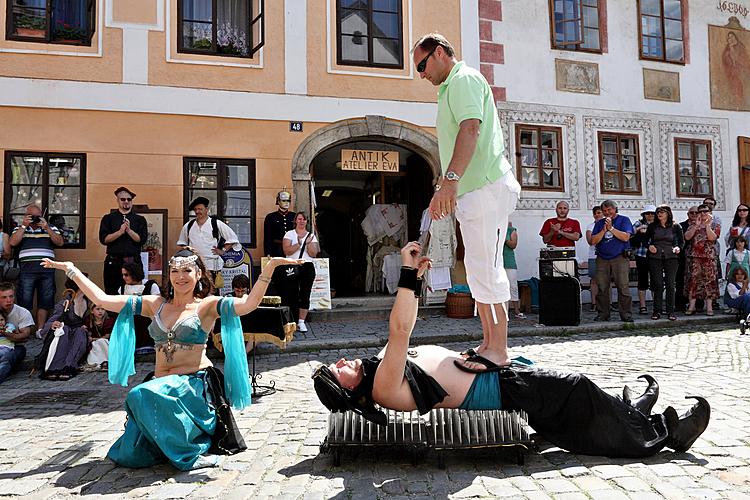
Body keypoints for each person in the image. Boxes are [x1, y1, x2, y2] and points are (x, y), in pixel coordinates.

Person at [313, 242, 711, 458]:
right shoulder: (382, 385)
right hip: (502, 389)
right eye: (337, 371)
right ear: (347, 392)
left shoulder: (379, 368)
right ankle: (667, 435)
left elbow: (405, 321)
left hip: (500, 376)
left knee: (577, 396)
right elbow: (400, 329)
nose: (341, 361)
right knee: (575, 385)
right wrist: (403, 272)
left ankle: (630, 413)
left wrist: (415, 280)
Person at [41, 247, 302, 470]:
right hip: (161, 383)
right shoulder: (156, 304)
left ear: (199, 274)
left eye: (187, 270)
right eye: (175, 271)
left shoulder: (208, 305)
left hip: (192, 385)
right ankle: (173, 441)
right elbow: (104, 300)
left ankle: (190, 455)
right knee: (129, 455)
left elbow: (248, 306)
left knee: (138, 394)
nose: (180, 277)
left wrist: (271, 268)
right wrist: (71, 269)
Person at [413, 33, 521, 369]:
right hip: (475, 190)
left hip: (484, 187)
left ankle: (498, 350)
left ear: (440, 53)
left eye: (422, 64)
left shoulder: (463, 79)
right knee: (477, 269)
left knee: (487, 267)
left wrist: (450, 182)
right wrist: (446, 187)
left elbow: (470, 129)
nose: (420, 74)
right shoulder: (451, 87)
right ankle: (489, 343)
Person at [9, 204, 64, 333]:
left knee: (45, 300)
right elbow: (12, 242)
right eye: (32, 216)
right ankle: (25, 329)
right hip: (27, 270)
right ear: (26, 216)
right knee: (25, 300)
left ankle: (40, 329)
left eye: (38, 216)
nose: (35, 219)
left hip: (47, 269)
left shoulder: (51, 228)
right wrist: (24, 226)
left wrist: (47, 228)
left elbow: (60, 242)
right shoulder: (19, 228)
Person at [177, 197, 241, 288]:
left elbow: (232, 237)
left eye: (200, 209)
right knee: (195, 291)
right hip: (194, 265)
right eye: (196, 209)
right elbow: (182, 243)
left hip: (212, 266)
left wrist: (222, 250)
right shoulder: (189, 225)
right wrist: (188, 251)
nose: (198, 211)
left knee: (211, 291)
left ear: (207, 209)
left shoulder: (216, 223)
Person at [34, 278, 90, 380]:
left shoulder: (89, 302)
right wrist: (53, 324)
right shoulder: (65, 303)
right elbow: (52, 321)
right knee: (65, 330)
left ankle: (69, 366)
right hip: (66, 335)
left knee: (80, 332)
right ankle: (55, 367)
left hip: (80, 335)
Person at [590, 200, 634, 322]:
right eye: (604, 211)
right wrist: (604, 230)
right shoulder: (599, 223)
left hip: (620, 257)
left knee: (623, 286)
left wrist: (612, 228)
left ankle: (626, 314)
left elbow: (625, 237)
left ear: (615, 209)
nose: (607, 213)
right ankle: (603, 313)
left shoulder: (624, 220)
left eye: (609, 210)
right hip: (602, 257)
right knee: (602, 287)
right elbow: (593, 241)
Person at [99, 187, 149, 295]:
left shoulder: (139, 219)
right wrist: (120, 232)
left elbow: (141, 240)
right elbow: (104, 239)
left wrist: (129, 231)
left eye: (129, 199)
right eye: (123, 199)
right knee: (112, 293)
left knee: (135, 292)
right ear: (118, 200)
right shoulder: (108, 218)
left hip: (133, 261)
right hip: (114, 262)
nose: (126, 201)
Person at [282, 212, 320, 332]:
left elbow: (313, 254)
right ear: (295, 221)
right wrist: (299, 244)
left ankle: (301, 322)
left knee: (305, 294)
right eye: (299, 219)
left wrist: (308, 244)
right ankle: (291, 321)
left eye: (304, 219)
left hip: (307, 265)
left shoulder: (311, 236)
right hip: (293, 265)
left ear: (306, 221)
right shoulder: (289, 234)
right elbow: (286, 250)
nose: (302, 221)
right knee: (291, 294)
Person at [646, 205, 684, 321]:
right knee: (657, 284)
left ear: (668, 213)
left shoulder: (676, 226)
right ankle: (657, 311)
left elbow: (681, 242)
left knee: (670, 284)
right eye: (658, 212)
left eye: (662, 212)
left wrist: (678, 248)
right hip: (655, 257)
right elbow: (646, 240)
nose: (659, 214)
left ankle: (670, 311)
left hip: (671, 257)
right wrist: (650, 246)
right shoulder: (652, 227)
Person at [263, 190, 297, 311]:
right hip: (277, 250)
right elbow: (267, 236)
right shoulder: (271, 217)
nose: (286, 203)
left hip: (292, 251)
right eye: (283, 200)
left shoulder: (294, 216)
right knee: (279, 279)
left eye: (288, 200)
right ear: (278, 201)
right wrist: (268, 252)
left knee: (292, 279)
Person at [684, 204, 720, 316]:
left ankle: (709, 307)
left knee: (709, 281)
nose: (703, 213)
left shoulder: (715, 224)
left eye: (706, 211)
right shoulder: (692, 224)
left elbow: (712, 238)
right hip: (694, 257)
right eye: (701, 211)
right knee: (693, 281)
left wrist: (707, 225)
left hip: (709, 257)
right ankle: (691, 306)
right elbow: (687, 237)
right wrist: (696, 226)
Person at [118, 262, 160, 350]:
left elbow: (157, 306)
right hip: (129, 324)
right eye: (123, 275)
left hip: (147, 325)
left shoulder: (151, 286)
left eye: (126, 275)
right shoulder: (121, 288)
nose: (124, 278)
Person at [0, 282, 34, 384]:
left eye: (11, 296)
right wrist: (16, 335)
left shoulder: (23, 313)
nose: (8, 300)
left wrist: (8, 335)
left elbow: (25, 336)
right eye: (4, 297)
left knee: (7, 356)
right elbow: (19, 336)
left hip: (16, 347)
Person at [631, 205, 656, 315]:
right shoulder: (639, 223)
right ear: (644, 214)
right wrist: (640, 229)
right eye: (647, 213)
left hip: (656, 256)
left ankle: (657, 305)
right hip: (641, 254)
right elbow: (630, 233)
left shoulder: (658, 225)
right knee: (642, 280)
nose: (650, 215)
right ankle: (643, 306)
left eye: (652, 213)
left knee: (656, 281)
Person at [676, 207, 699, 312]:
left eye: (696, 212)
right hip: (683, 257)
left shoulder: (703, 225)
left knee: (698, 281)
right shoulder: (681, 226)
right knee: (681, 280)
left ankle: (698, 304)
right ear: (687, 214)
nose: (694, 214)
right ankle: (680, 304)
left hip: (699, 257)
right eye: (692, 212)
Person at [84, 303, 114, 370]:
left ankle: (107, 360)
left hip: (106, 342)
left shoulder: (109, 320)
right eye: (97, 309)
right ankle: (98, 362)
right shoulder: (88, 321)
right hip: (94, 344)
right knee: (96, 344)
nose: (100, 311)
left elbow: (107, 336)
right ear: (92, 311)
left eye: (102, 309)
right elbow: (88, 336)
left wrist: (94, 339)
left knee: (102, 341)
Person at [584, 206, 603, 312]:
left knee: (607, 280)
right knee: (594, 280)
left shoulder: (608, 225)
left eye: (599, 213)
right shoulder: (591, 226)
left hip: (606, 256)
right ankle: (594, 303)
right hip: (594, 256)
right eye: (595, 213)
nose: (597, 215)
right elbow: (591, 241)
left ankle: (607, 303)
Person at [503, 221, 523, 319]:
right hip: (497, 262)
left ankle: (516, 310)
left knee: (513, 286)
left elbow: (513, 245)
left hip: (509, 261)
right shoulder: (493, 228)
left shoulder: (511, 230)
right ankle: (503, 311)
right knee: (500, 287)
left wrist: (504, 238)